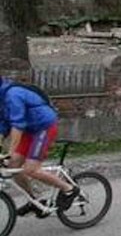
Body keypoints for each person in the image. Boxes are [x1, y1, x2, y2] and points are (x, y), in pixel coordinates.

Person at [0, 76, 78, 216]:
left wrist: (10, 151)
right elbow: (3, 125)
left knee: (31, 169)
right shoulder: (2, 97)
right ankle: (35, 201)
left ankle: (69, 189)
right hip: (30, 130)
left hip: (43, 128)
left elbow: (17, 125)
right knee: (13, 166)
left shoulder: (13, 95)